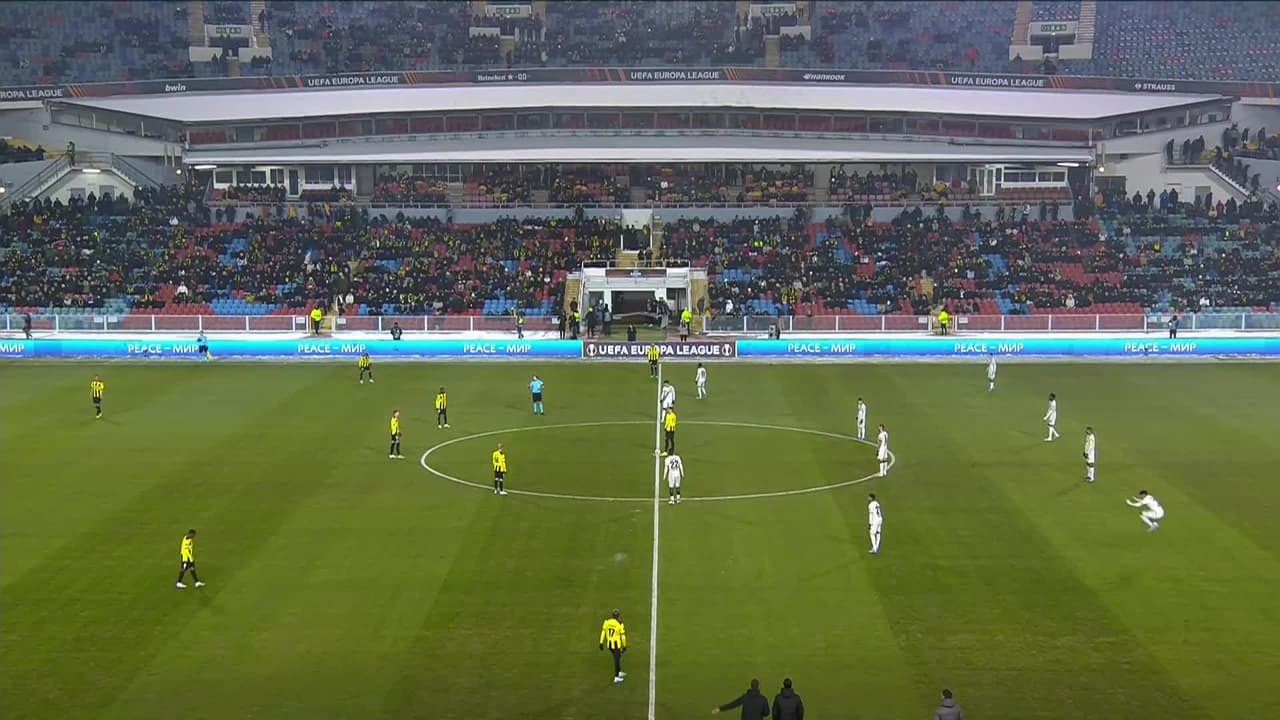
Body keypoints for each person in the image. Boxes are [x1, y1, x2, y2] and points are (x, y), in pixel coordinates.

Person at [598, 608, 627, 684]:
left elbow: (603, 632)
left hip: (609, 644)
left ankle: (619, 671)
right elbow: (623, 636)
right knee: (617, 659)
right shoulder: (620, 624)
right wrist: (624, 646)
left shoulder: (607, 621)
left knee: (618, 656)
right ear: (618, 616)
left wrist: (601, 642)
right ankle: (616, 677)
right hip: (616, 645)